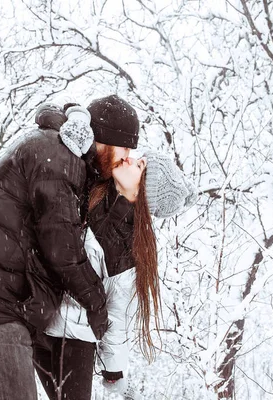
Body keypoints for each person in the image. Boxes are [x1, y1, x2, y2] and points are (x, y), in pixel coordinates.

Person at [0, 95, 141, 400]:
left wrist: (127, 198)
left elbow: (91, 241)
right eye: (124, 147)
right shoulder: (59, 158)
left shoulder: (65, 156)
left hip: (5, 302)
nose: (126, 157)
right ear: (102, 140)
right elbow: (63, 250)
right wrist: (98, 306)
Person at [34, 132, 198, 399]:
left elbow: (118, 315)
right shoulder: (93, 191)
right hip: (40, 320)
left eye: (140, 165)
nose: (131, 159)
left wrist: (114, 371)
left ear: (145, 189)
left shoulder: (128, 246)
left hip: (74, 339)